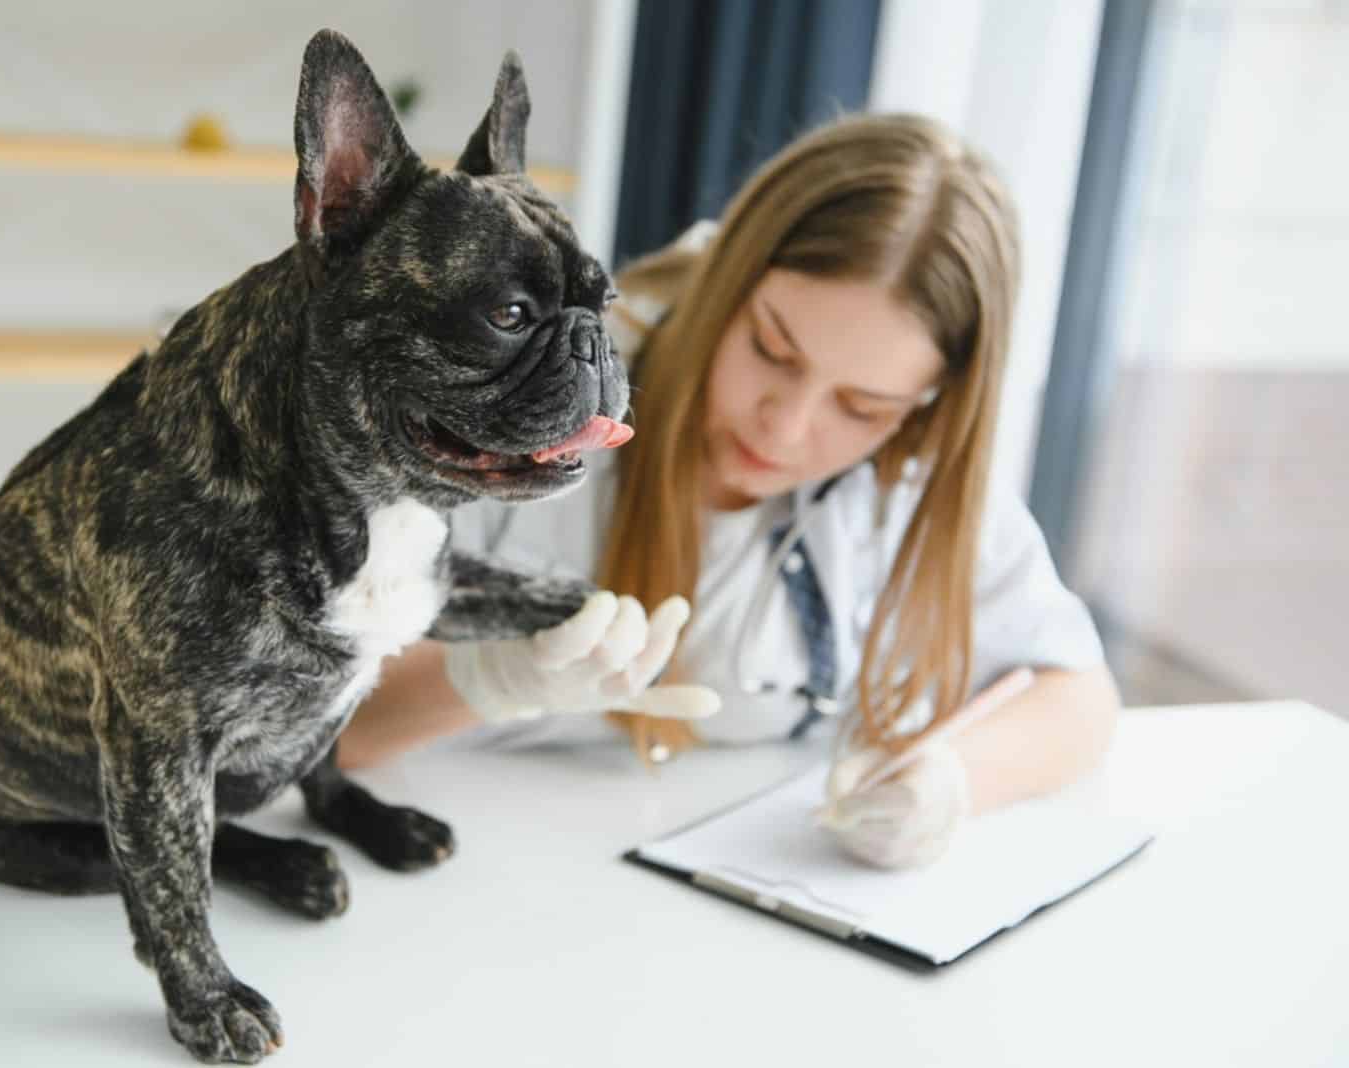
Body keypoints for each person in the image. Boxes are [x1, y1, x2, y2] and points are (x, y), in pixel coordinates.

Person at [338, 112, 1120, 870]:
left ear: (926, 406)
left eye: (862, 407)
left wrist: (951, 781)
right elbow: (313, 730)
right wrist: (487, 676)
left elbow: (1079, 699)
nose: (784, 430)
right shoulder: (522, 395)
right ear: (728, 283)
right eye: (772, 350)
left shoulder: (915, 478)